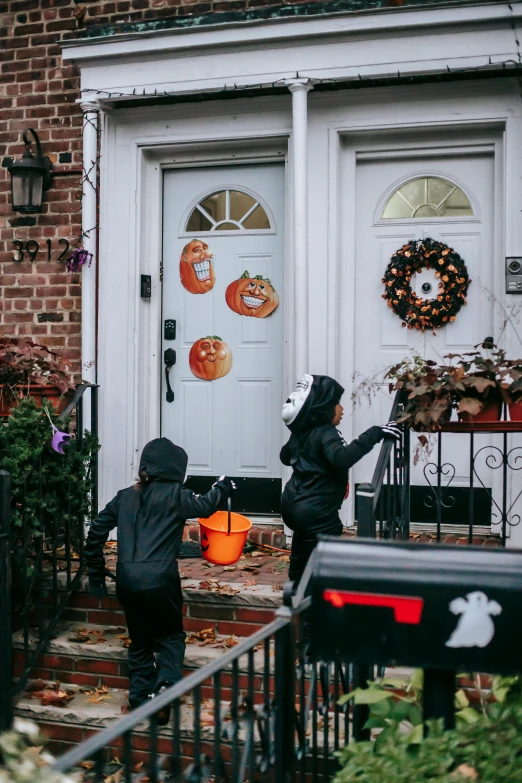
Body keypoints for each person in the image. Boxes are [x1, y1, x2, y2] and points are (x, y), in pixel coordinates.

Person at [84, 437, 235, 724]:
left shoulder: (124, 496)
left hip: (127, 579)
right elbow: (205, 507)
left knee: (140, 641)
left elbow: (97, 530)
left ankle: (141, 700)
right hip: (161, 579)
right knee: (170, 636)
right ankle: (165, 685)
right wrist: (222, 487)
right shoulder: (177, 496)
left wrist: (95, 568)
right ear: (177, 471)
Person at [280, 374, 401, 596]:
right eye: (337, 403)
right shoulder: (326, 432)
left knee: (300, 555)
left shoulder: (302, 432)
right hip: (317, 511)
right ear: (324, 408)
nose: (341, 408)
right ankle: (316, 607)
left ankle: (294, 596)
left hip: (293, 505)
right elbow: (341, 458)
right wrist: (375, 433)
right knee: (325, 557)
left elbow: (285, 457)